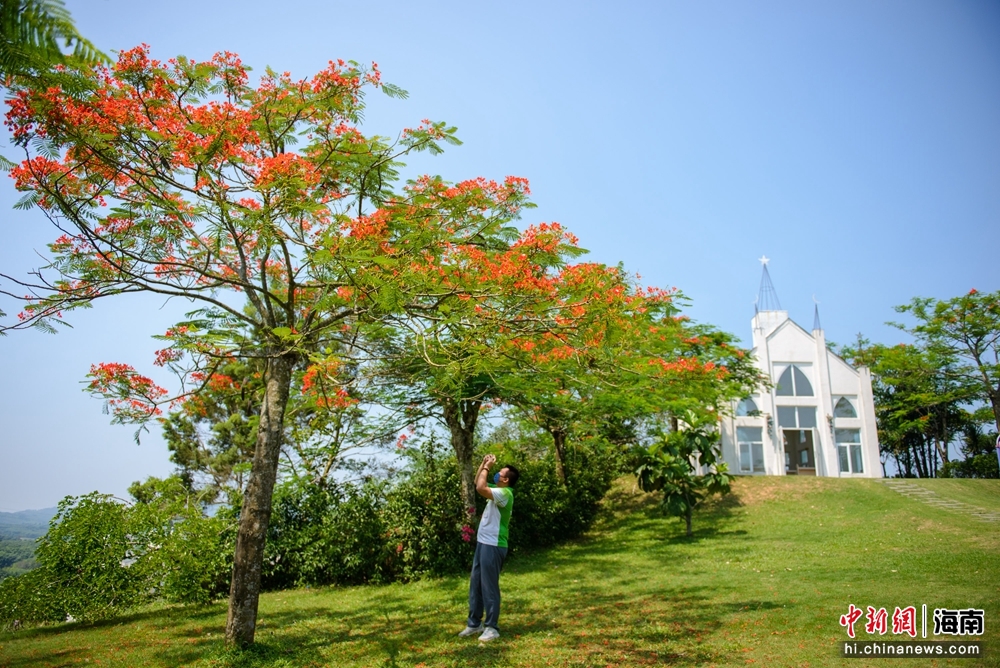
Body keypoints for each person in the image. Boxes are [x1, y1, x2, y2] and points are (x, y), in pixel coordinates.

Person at [458, 453, 520, 642]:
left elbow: (480, 487)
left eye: (498, 473)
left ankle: (492, 627)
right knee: (476, 584)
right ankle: (474, 623)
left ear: (506, 479)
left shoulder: (505, 493)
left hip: (494, 545)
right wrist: (484, 464)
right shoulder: (497, 490)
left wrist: (487, 468)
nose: (495, 474)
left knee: (489, 586)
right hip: (484, 543)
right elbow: (479, 482)